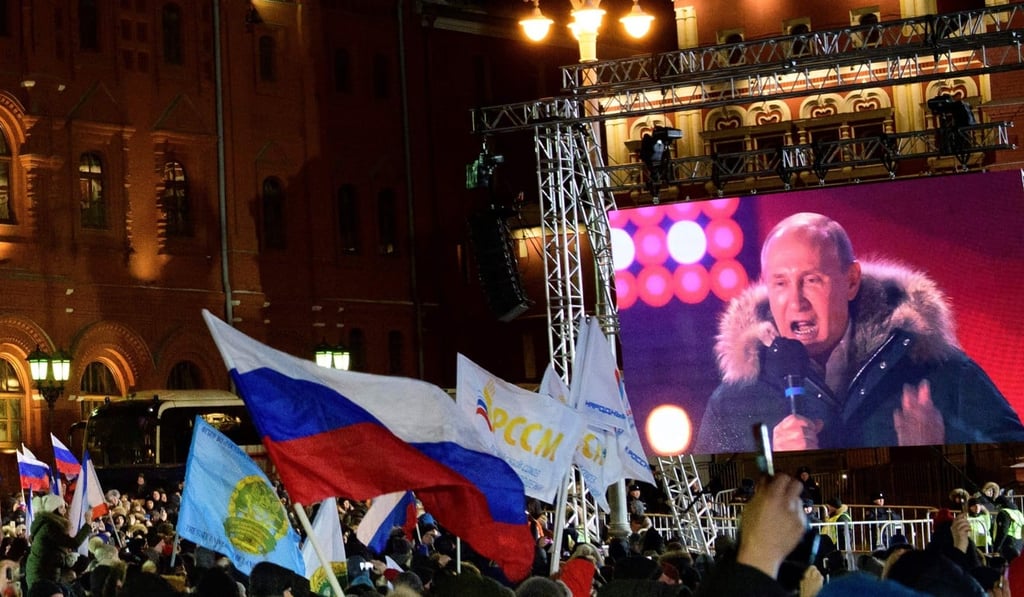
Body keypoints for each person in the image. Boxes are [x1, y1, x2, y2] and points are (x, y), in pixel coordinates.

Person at [694, 212, 1024, 453]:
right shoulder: (733, 401)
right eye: (780, 283)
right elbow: (713, 508)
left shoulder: (935, 368)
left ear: (851, 281)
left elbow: (1015, 468)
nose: (796, 301)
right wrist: (771, 466)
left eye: (812, 280)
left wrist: (939, 455)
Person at [24, 494, 91, 592]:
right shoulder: (49, 527)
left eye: (64, 507)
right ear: (53, 509)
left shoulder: (49, 525)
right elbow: (74, 543)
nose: (64, 510)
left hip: (44, 572)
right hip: (41, 574)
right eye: (61, 507)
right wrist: (88, 524)